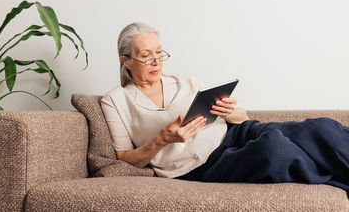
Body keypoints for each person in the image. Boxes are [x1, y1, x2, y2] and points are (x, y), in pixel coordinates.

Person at [100, 22, 349, 193]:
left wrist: (230, 111)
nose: (156, 61)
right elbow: (125, 159)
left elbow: (241, 118)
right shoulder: (115, 100)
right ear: (126, 61)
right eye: (146, 55)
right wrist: (161, 140)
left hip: (235, 132)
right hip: (203, 165)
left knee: (320, 128)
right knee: (274, 148)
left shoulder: (186, 82)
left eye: (159, 52)